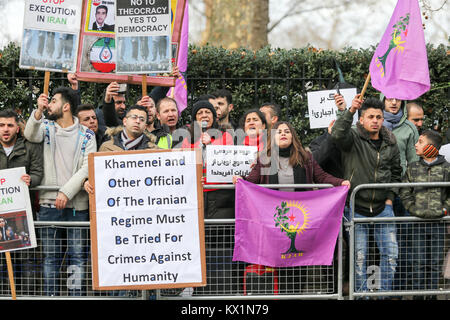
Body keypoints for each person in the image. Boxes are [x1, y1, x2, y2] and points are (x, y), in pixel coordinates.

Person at [24, 86, 97, 296]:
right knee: (51, 258)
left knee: (77, 257)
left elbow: (87, 167)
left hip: (77, 206)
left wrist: (66, 192)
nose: (49, 104)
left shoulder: (87, 135)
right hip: (49, 205)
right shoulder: (45, 127)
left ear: (66, 107)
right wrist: (38, 111)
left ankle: (76, 297)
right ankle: (51, 296)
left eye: (53, 101)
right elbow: (30, 133)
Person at [331, 94, 402, 297]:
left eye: (379, 117)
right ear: (361, 120)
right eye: (370, 117)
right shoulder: (352, 137)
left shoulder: (390, 141)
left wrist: (389, 199)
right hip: (356, 207)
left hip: (383, 207)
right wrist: (350, 110)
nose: (375, 121)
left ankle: (384, 294)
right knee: (358, 258)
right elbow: (336, 134)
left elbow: (396, 172)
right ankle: (361, 295)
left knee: (391, 255)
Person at [399, 130, 449, 299]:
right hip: (417, 223)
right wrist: (413, 209)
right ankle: (418, 295)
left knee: (435, 263)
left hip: (438, 223)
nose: (415, 145)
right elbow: (405, 192)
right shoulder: (413, 168)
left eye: (420, 142)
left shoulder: (446, 168)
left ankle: (432, 295)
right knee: (418, 262)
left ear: (431, 146)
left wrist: (444, 210)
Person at [0, 109, 43, 188]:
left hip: (23, 198)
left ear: (17, 129)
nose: (6, 129)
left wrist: (30, 179)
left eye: (10, 125)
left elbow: (37, 173)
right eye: (1, 125)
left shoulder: (30, 146)